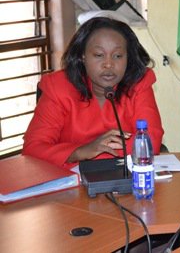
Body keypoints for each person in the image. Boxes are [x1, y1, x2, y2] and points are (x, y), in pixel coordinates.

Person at [23, 17, 164, 170]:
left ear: (128, 58)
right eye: (98, 55)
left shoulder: (139, 83)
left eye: (118, 56)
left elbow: (150, 142)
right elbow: (33, 148)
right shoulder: (59, 87)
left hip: (126, 180)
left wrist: (96, 153)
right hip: (71, 183)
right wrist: (80, 152)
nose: (109, 64)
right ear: (82, 56)